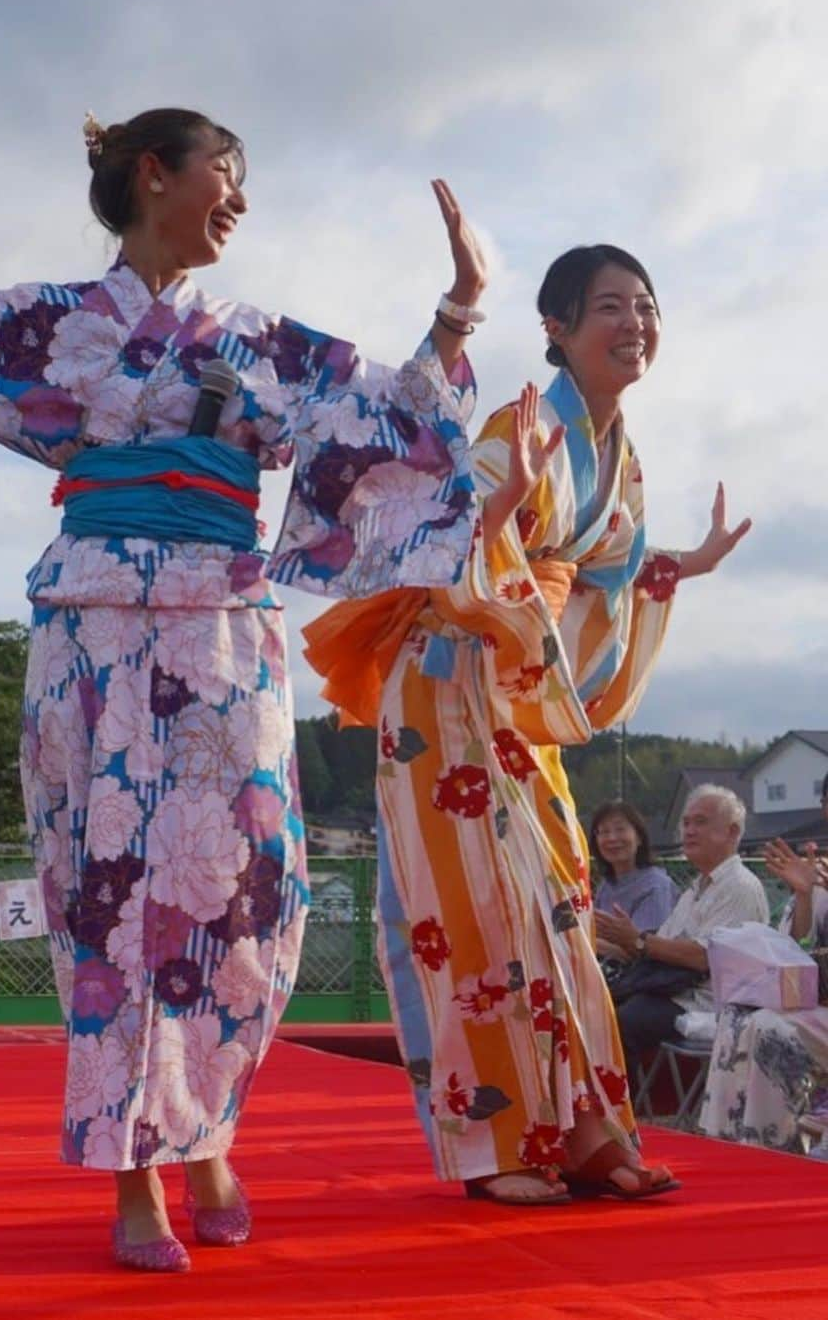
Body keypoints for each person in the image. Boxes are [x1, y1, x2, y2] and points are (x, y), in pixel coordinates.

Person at [0, 106, 486, 1270]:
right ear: (156, 174)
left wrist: (460, 308)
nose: (238, 201)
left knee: (252, 893)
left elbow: (390, 415)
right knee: (108, 902)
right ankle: (133, 1172)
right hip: (90, 626)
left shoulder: (258, 338)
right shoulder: (50, 324)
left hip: (224, 631)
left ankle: (209, 1132)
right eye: (224, 175)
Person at [306, 244, 751, 1204]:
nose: (635, 323)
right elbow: (436, 538)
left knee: (557, 905)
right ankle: (495, 1144)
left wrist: (683, 566)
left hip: (518, 683)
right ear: (555, 327)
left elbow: (605, 576)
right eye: (609, 307)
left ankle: (584, 1129)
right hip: (449, 676)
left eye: (646, 305)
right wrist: (496, 514)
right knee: (474, 909)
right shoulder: (518, 426)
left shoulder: (617, 453)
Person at [599, 784, 770, 1075]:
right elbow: (659, 944)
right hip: (674, 993)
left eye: (700, 822)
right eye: (686, 823)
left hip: (707, 1005)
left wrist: (636, 940)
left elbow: (705, 957)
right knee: (593, 1003)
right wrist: (620, 938)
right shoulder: (697, 888)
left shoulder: (738, 886)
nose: (688, 831)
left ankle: (622, 1111)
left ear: (731, 832)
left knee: (618, 1021)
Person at [699, 836, 828, 1151]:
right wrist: (804, 894)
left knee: (771, 1029)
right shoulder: (819, 874)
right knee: (738, 1016)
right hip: (817, 1009)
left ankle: (770, 1147)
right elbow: (791, 953)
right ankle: (723, 1140)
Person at [589, 800, 678, 936]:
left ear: (639, 838)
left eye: (620, 829)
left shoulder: (656, 886)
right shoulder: (606, 886)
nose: (612, 838)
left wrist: (585, 943)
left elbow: (643, 949)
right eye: (604, 831)